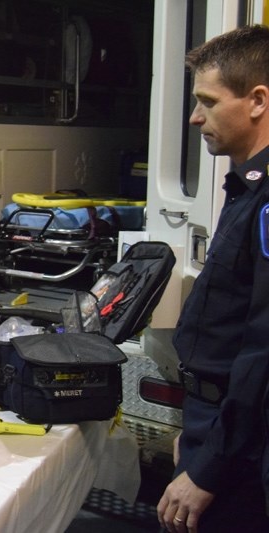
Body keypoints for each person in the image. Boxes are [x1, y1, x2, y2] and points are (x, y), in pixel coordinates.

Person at [156, 25, 269, 532]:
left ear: (257, 101)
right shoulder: (244, 189)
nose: (194, 116)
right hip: (214, 423)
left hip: (242, 447)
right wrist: (197, 431)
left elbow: (264, 351)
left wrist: (210, 465)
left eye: (207, 101)